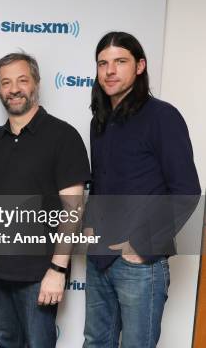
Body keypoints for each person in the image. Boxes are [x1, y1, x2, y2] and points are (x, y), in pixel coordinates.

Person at [83, 31, 201, 347]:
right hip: (99, 259)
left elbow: (187, 190)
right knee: (95, 342)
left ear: (139, 66)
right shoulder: (100, 120)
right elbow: (103, 184)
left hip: (139, 265)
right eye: (103, 63)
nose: (110, 70)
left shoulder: (162, 117)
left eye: (120, 61)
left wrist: (141, 246)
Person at [0, 52, 90, 348]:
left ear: (36, 83)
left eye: (22, 80)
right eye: (5, 82)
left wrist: (58, 269)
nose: (13, 89)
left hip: (41, 274)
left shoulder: (63, 136)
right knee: (5, 343)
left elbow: (73, 210)